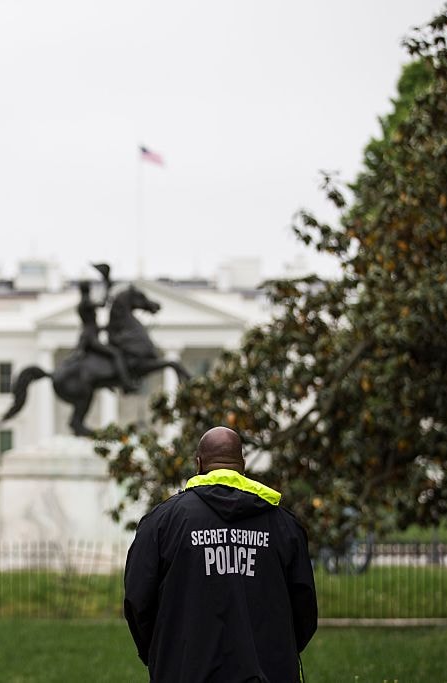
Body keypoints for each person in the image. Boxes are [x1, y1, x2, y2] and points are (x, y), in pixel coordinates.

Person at [124, 427, 317, 682]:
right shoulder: (284, 525)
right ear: (243, 466)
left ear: (198, 463)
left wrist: (162, 653)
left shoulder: (161, 523)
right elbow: (304, 608)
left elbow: (138, 601)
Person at [75, 263, 137, 392]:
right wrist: (107, 285)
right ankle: (126, 383)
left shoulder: (84, 302)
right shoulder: (85, 303)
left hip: (91, 334)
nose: (91, 290)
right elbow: (103, 303)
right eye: (90, 288)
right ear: (87, 290)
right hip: (91, 338)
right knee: (116, 354)